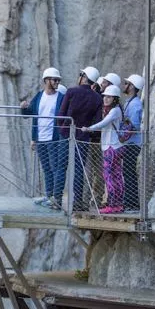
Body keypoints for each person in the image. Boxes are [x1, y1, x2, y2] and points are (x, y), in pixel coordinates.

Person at [58, 66, 103, 211]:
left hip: (67, 134)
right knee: (79, 169)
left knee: (61, 167)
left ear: (84, 77)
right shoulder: (97, 98)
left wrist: (62, 128)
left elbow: (61, 114)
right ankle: (77, 202)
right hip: (83, 137)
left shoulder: (71, 92)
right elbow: (97, 121)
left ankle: (56, 199)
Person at [21, 68, 66, 210]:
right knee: (46, 168)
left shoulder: (61, 97)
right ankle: (49, 195)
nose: (57, 82)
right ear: (46, 80)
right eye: (54, 80)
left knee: (55, 167)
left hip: (54, 139)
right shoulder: (39, 96)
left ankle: (56, 198)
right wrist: (23, 107)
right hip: (40, 138)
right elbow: (28, 114)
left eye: (58, 80)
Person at [80, 85, 125, 213]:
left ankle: (112, 204)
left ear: (115, 99)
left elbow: (104, 123)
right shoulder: (116, 109)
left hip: (111, 147)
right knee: (116, 176)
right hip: (116, 146)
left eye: (109, 97)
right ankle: (118, 204)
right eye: (105, 96)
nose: (105, 98)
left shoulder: (114, 111)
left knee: (109, 176)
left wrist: (89, 128)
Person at [122, 74, 144, 211]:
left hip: (133, 143)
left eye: (126, 83)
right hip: (129, 142)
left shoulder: (135, 104)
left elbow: (134, 126)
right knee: (128, 172)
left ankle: (132, 203)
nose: (124, 86)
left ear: (132, 86)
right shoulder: (129, 102)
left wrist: (123, 127)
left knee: (129, 172)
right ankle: (130, 201)